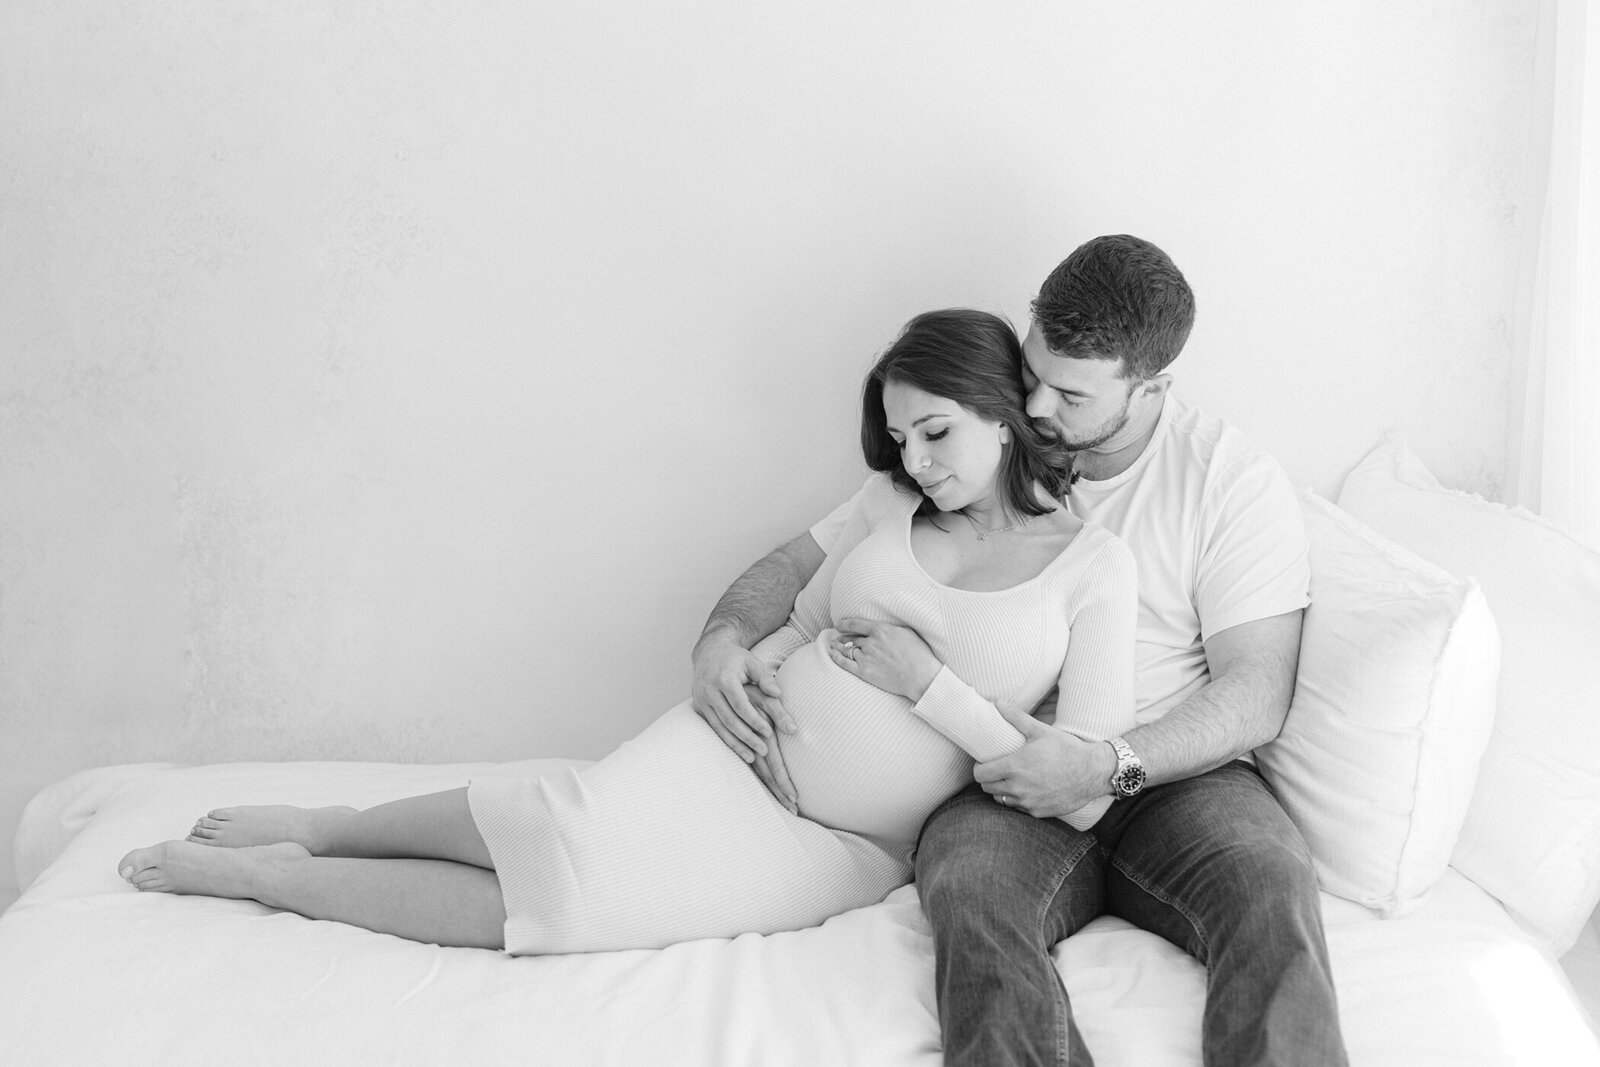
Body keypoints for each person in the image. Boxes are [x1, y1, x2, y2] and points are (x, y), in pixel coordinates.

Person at [116, 309, 1140, 958]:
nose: (913, 460)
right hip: (734, 746)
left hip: (841, 836)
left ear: (1003, 415)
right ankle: (333, 823)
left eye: (935, 432)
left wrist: (929, 686)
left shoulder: (1095, 568)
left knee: (567, 895)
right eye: (901, 436)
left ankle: (269, 878)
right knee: (565, 813)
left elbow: (1083, 790)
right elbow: (804, 610)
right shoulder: (887, 505)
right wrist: (745, 670)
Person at [691, 236, 1348, 1066]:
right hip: (996, 770)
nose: (1036, 406)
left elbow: (1257, 689)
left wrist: (1110, 763)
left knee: (1270, 888)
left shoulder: (1226, 480)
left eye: (1070, 394)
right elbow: (799, 565)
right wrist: (722, 637)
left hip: (1178, 775)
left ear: (1151, 389)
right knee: (970, 895)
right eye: (1032, 371)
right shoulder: (977, 450)